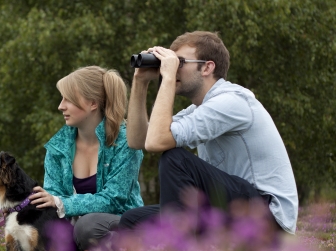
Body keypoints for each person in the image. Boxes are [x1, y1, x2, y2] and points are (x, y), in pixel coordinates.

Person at [121, 31, 298, 234]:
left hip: (268, 218)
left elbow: (157, 142)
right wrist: (141, 82)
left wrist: (168, 79)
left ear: (207, 67)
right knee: (133, 219)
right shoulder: (199, 109)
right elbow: (139, 140)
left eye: (179, 62)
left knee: (175, 159)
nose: (170, 69)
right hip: (232, 206)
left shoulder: (231, 102)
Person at [29, 66, 144, 251]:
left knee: (88, 226)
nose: (61, 106)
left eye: (68, 99)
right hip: (79, 231)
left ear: (92, 103)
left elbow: (113, 200)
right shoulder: (58, 147)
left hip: (121, 224)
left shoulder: (126, 142)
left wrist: (61, 203)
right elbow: (52, 198)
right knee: (48, 229)